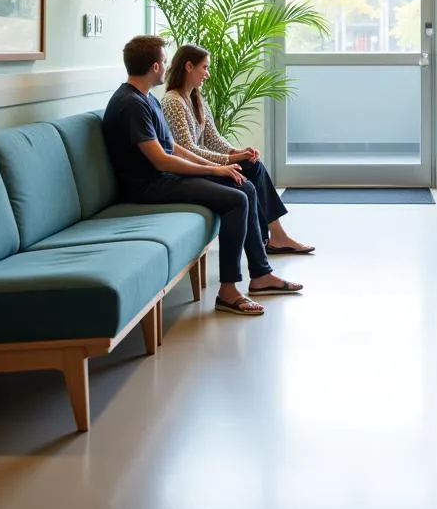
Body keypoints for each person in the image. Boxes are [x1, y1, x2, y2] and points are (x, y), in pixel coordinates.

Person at [101, 35, 301, 317]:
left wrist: (224, 164)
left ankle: (261, 275)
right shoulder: (131, 104)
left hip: (162, 180)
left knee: (244, 186)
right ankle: (228, 292)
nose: (167, 64)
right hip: (149, 187)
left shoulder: (145, 100)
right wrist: (214, 168)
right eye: (164, 60)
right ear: (156, 66)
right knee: (237, 200)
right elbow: (161, 161)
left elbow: (174, 147)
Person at [161, 42, 314, 256]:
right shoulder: (173, 102)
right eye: (204, 67)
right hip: (190, 171)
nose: (208, 74)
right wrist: (228, 160)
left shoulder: (196, 97)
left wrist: (236, 152)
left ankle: (275, 236)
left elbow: (212, 137)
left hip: (202, 163)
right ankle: (272, 238)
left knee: (253, 165)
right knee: (251, 172)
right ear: (188, 67)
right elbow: (188, 149)